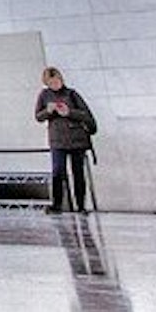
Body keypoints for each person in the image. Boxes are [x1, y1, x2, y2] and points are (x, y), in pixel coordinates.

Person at [35, 66, 97, 214]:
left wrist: (69, 112)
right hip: (57, 140)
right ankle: (57, 204)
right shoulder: (44, 96)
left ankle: (81, 205)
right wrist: (48, 111)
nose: (56, 84)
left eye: (57, 80)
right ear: (47, 83)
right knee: (57, 172)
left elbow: (86, 115)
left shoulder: (72, 94)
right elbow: (38, 116)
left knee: (78, 173)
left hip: (77, 139)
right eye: (52, 82)